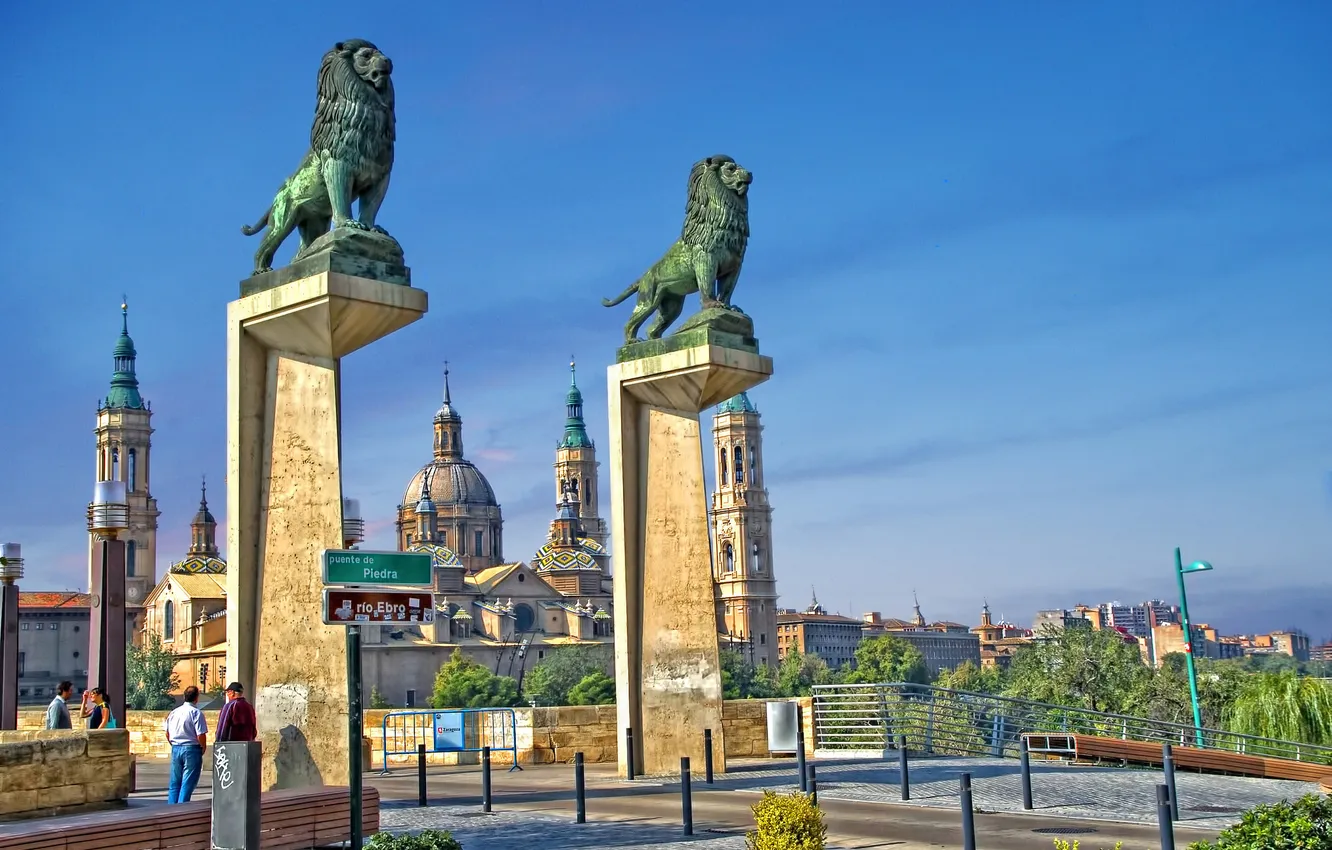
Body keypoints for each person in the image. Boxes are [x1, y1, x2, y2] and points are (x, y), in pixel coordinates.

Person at [165, 685, 208, 804]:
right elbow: (201, 734)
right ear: (196, 698)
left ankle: (171, 808)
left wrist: (173, 743)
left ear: (184, 696)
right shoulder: (196, 713)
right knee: (187, 782)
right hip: (191, 748)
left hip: (176, 747)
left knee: (175, 782)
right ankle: (182, 808)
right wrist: (203, 747)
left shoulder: (174, 713)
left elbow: (167, 733)